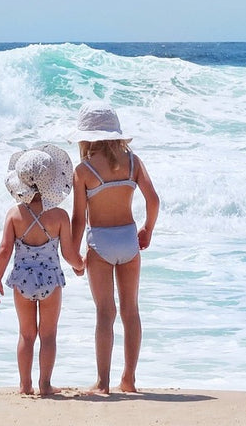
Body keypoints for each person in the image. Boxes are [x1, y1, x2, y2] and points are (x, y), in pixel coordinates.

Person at [69, 101, 159, 394]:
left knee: (105, 313)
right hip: (129, 239)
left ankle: (103, 382)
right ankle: (129, 379)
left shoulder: (83, 170)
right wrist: (147, 229)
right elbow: (153, 201)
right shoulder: (133, 162)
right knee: (131, 310)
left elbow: (79, 219)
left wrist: (73, 255)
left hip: (101, 243)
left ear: (86, 137)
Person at [0, 143, 84, 396]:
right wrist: (80, 266)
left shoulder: (14, 215)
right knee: (48, 335)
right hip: (51, 281)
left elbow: (4, 250)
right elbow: (68, 254)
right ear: (52, 181)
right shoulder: (59, 217)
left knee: (26, 334)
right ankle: (45, 384)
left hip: (22, 281)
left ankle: (25, 385)